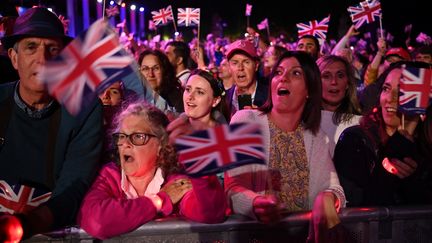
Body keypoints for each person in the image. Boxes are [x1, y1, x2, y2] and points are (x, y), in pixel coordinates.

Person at [0, 7, 103, 239]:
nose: (42, 59)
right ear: (14, 58)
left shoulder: (84, 110)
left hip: (50, 231)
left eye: (52, 49)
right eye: (31, 47)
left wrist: (22, 226)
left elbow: (73, 187)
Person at [224, 51, 346, 242]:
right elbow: (232, 186)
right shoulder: (245, 121)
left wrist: (328, 198)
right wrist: (255, 203)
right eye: (278, 72)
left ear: (309, 90)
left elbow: (334, 188)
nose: (283, 78)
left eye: (295, 73)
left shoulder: (315, 136)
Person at [77, 102, 226, 239]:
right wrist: (160, 200)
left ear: (161, 145)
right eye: (122, 136)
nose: (125, 144)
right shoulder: (108, 176)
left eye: (138, 137)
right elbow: (97, 221)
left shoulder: (174, 182)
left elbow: (211, 213)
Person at [334, 61, 430, 207]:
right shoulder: (356, 139)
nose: (390, 98)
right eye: (386, 88)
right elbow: (361, 206)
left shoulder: (425, 144)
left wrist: (413, 180)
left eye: (401, 92)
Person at [317, 55, 362, 145]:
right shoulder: (301, 121)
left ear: (347, 84)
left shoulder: (360, 124)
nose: (334, 82)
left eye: (340, 76)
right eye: (326, 76)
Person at [225, 39, 269, 118]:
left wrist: (263, 118)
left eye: (246, 62)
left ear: (256, 65)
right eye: (235, 63)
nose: (240, 68)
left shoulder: (271, 96)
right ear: (229, 67)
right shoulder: (224, 99)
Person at [138, 49, 184, 115]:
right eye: (145, 69)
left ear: (164, 71)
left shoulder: (177, 98)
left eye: (156, 68)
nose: (151, 74)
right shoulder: (133, 96)